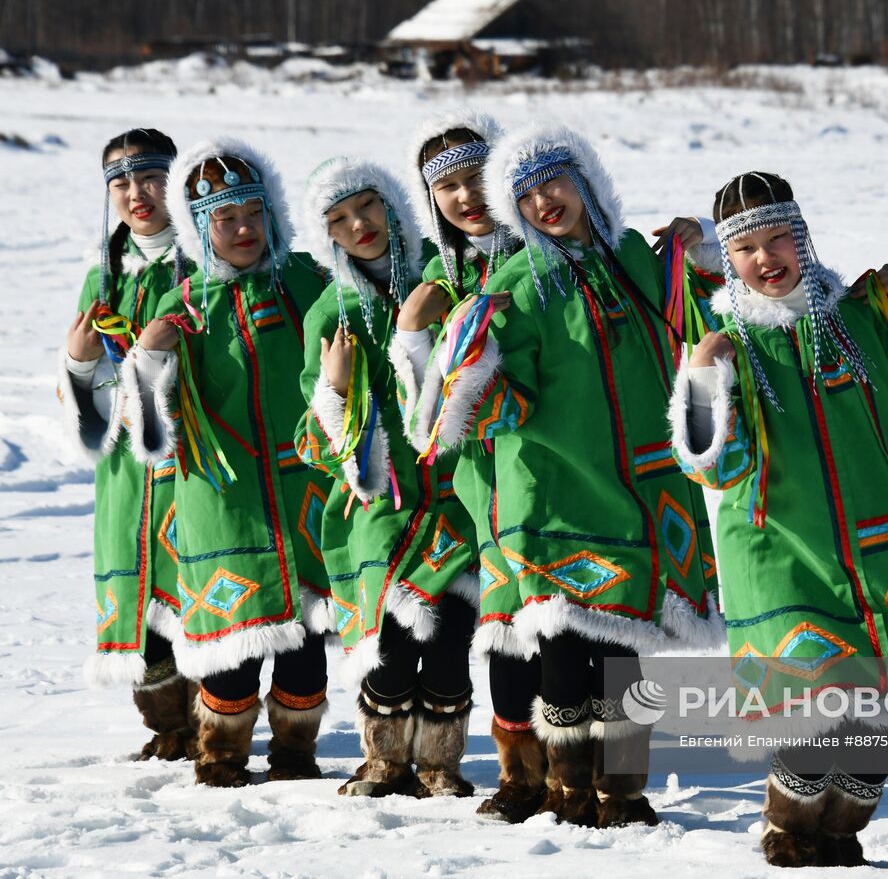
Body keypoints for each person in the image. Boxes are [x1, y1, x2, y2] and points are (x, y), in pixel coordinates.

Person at [670, 171, 888, 867]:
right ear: (726, 260)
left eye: (778, 239)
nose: (766, 259)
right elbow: (713, 466)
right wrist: (706, 376)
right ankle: (789, 832)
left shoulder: (856, 321)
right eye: (746, 249)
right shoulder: (726, 341)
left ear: (801, 237)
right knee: (819, 707)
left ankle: (839, 834)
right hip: (782, 555)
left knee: (884, 712)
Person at [403, 123, 724, 827]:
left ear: (588, 180)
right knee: (556, 649)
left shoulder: (634, 258)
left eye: (556, 180)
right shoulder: (515, 284)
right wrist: (466, 351)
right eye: (524, 192)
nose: (545, 200)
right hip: (548, 493)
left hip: (640, 492)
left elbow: (714, 282)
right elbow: (481, 409)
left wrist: (694, 236)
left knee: (626, 646)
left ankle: (624, 790)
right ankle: (563, 787)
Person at [122, 138, 334, 787]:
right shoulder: (186, 303)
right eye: (224, 218)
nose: (243, 230)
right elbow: (145, 427)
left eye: (252, 212)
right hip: (224, 506)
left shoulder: (306, 281)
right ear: (199, 228)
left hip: (304, 501)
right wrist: (150, 352)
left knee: (304, 648)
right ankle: (220, 759)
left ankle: (296, 754)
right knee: (229, 652)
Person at [295, 155, 479, 798]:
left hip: (459, 499)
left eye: (367, 206)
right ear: (326, 236)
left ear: (394, 204)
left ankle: (439, 764)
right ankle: (384, 760)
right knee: (392, 647)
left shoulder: (445, 273)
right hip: (379, 509)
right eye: (339, 219)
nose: (359, 225)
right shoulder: (330, 315)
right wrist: (336, 388)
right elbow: (317, 442)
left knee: (454, 642)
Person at [390, 109, 551, 821]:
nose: (465, 197)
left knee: (597, 625)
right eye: (447, 187)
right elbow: (423, 412)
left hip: (572, 465)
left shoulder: (554, 250)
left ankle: (614, 774)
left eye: (476, 178)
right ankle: (521, 775)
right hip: (488, 483)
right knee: (508, 627)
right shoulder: (438, 276)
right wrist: (412, 334)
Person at [58, 127, 197, 759]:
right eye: (121, 182)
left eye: (151, 178)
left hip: (197, 457)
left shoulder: (204, 260)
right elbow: (85, 388)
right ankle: (169, 726)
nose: (136, 194)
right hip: (125, 469)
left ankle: (221, 722)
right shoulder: (102, 277)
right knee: (140, 596)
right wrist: (78, 363)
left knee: (201, 588)